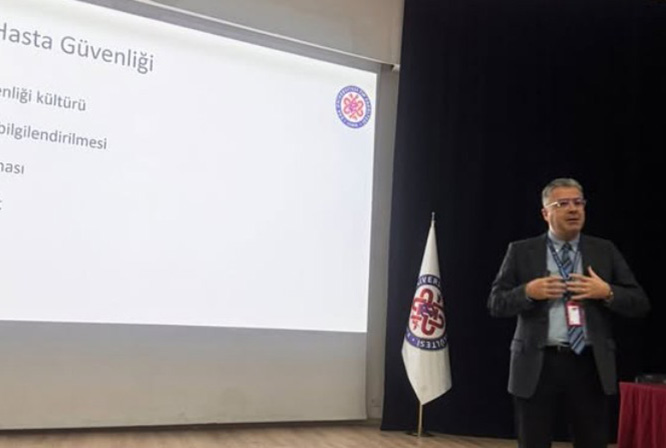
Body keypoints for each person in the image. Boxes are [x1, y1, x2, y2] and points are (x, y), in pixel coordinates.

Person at [488, 178, 650, 448]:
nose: (573, 209)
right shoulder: (521, 251)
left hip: (589, 364)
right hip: (538, 364)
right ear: (545, 213)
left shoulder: (604, 250)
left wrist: (607, 291)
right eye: (562, 204)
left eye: (578, 202)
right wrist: (527, 291)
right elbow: (496, 303)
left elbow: (639, 303)